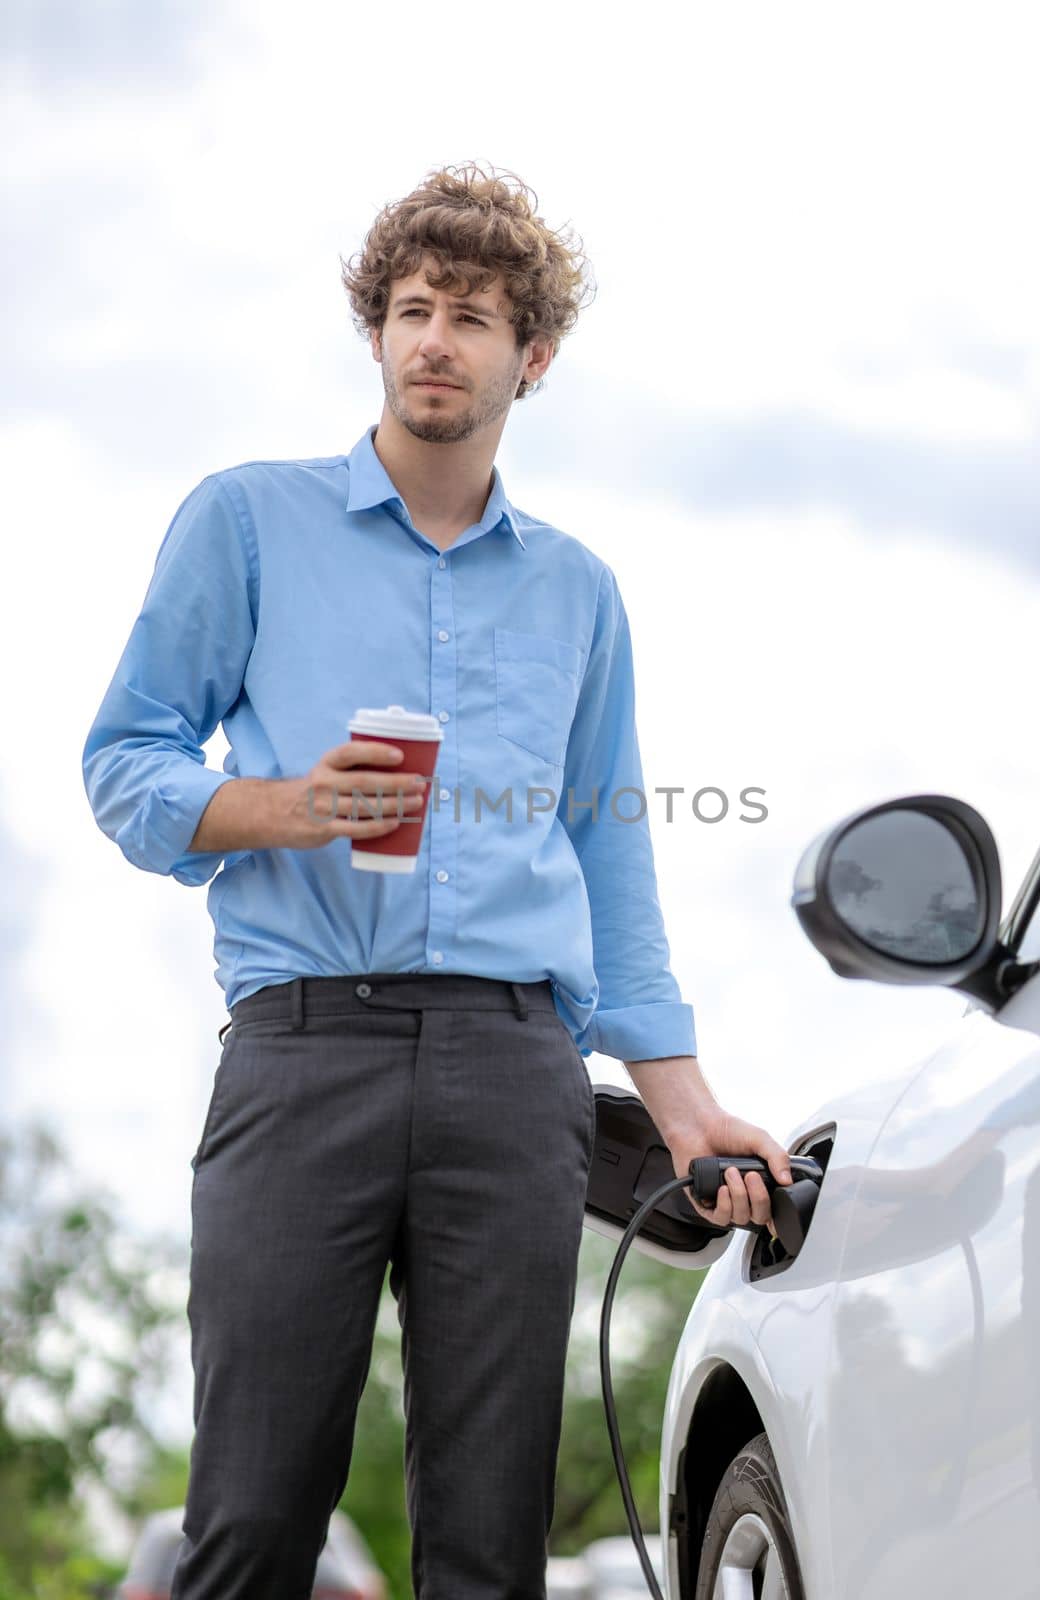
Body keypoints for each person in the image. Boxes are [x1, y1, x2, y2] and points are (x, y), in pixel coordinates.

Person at [82, 161, 795, 1600]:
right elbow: (124, 759)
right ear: (377, 332)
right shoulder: (244, 523)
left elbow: (608, 850)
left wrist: (685, 1102)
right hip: (302, 1054)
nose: (433, 340)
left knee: (489, 1545)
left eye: (471, 317)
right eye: (411, 309)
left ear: (530, 357)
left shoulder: (579, 591)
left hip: (512, 1063)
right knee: (254, 1521)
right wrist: (283, 806)